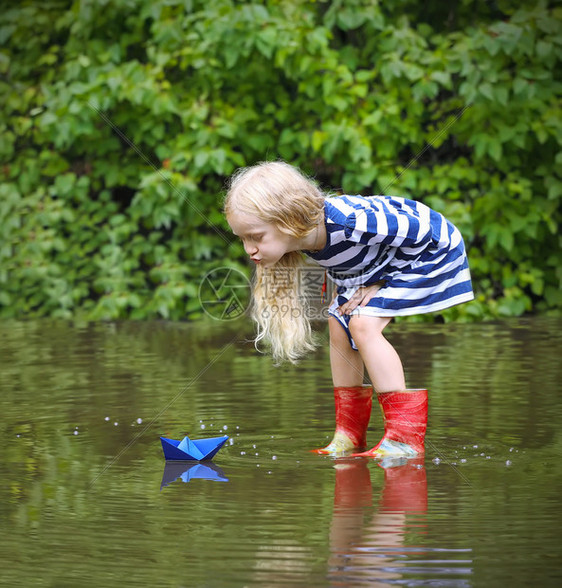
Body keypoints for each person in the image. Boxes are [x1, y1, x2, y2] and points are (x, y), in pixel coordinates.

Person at [224, 161, 474, 458]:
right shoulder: (303, 237)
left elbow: (422, 231)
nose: (248, 249)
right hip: (373, 270)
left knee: (362, 323)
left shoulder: (348, 222)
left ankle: (404, 439)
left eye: (255, 237)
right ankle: (348, 435)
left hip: (433, 251)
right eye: (242, 238)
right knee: (338, 320)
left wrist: (384, 282)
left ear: (288, 219)